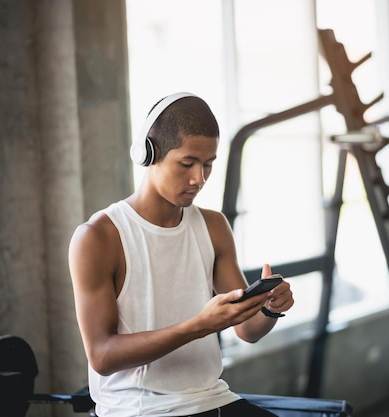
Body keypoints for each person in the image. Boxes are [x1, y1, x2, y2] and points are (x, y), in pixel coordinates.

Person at [69, 92, 294, 417]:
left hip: (213, 399)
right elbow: (102, 357)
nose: (198, 179)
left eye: (208, 165)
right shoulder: (98, 237)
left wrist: (271, 308)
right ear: (150, 153)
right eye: (187, 163)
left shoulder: (213, 225)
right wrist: (198, 326)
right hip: (140, 410)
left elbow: (246, 330)